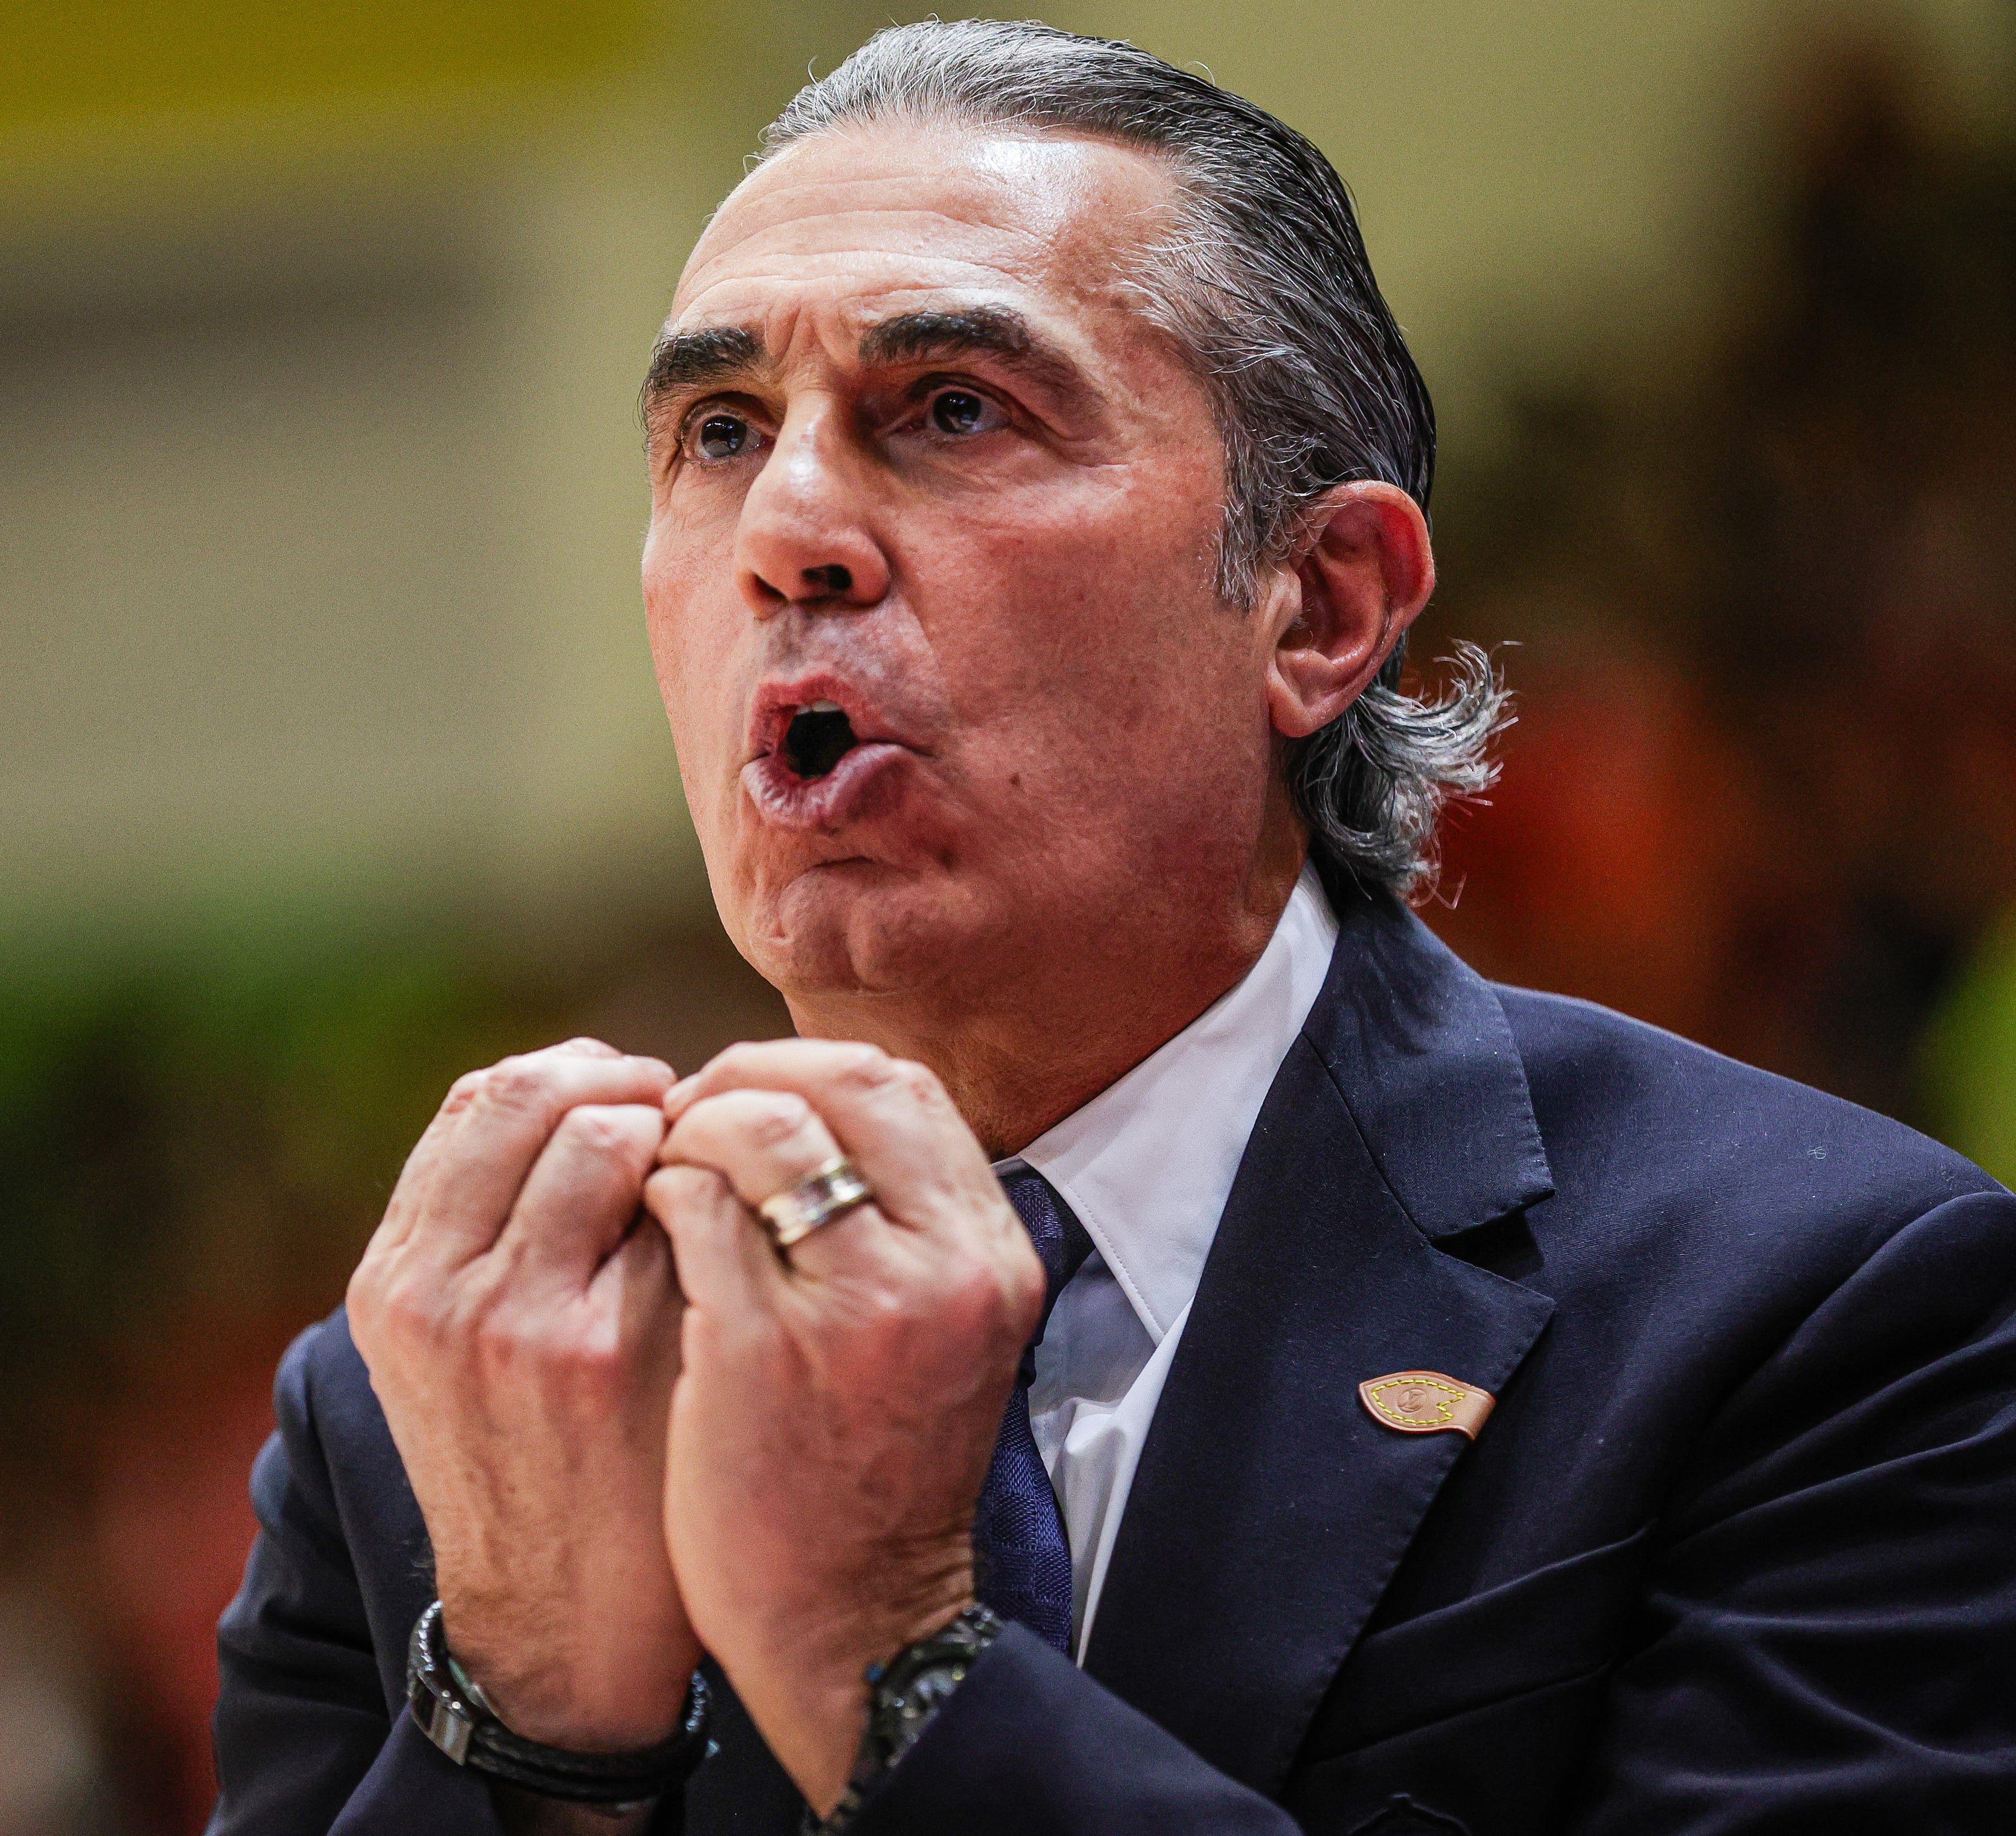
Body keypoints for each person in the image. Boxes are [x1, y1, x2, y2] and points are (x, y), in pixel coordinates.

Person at [207, 22, 2016, 1835]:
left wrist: (895, 1663)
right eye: (721, 431)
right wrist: (529, 1729)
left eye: (955, 409)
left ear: (1318, 605)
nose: (792, 527)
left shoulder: (1825, 1311)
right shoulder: (445, 1401)